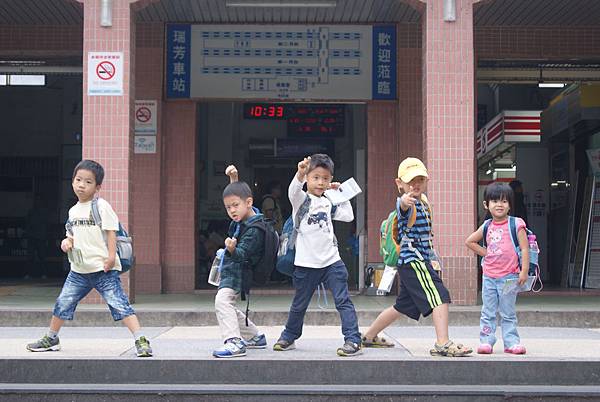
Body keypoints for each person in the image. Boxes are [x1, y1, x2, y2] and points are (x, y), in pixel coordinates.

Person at [26, 160, 152, 357]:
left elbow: (111, 233)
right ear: (72, 182)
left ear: (97, 187)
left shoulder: (101, 206)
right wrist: (66, 243)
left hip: (103, 270)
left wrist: (111, 258)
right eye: (78, 180)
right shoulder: (73, 211)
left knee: (120, 304)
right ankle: (52, 337)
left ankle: (141, 340)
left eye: (88, 182)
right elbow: (71, 236)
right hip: (78, 271)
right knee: (63, 303)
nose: (81, 185)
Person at [360, 157, 472, 357]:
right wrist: (404, 200)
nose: (415, 184)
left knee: (402, 306)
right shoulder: (405, 203)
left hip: (416, 261)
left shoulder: (424, 202)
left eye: (420, 179)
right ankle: (442, 343)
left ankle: (369, 336)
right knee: (440, 295)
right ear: (399, 184)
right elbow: (401, 206)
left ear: (427, 181)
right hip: (414, 262)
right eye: (410, 180)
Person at [273, 154, 362, 357]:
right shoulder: (301, 201)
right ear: (307, 179)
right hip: (306, 263)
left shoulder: (329, 202)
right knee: (299, 304)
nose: (321, 182)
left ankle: (353, 340)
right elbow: (292, 191)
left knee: (343, 301)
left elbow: (348, 216)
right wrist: (300, 173)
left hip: (332, 262)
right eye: (316, 177)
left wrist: (339, 194)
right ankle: (289, 336)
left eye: (325, 178)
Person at [465, 182, 529, 355]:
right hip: (489, 277)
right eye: (494, 201)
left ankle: (511, 342)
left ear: (510, 205)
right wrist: (486, 253)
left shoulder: (516, 224)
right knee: (488, 311)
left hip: (510, 277)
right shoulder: (486, 226)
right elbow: (469, 241)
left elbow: (524, 248)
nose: (499, 205)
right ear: (486, 204)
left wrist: (524, 271)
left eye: (504, 201)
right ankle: (486, 341)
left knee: (508, 312)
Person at [212, 165, 268, 358]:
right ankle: (254, 336)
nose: (232, 211)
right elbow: (239, 197)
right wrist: (234, 179)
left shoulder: (254, 229)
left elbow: (243, 254)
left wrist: (232, 249)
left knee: (222, 301)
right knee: (227, 304)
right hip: (231, 271)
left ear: (249, 203)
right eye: (228, 207)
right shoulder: (245, 218)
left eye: (235, 206)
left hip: (238, 273)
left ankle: (234, 342)